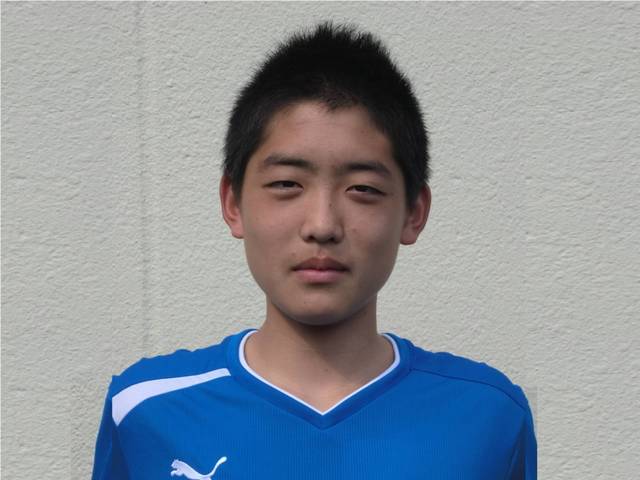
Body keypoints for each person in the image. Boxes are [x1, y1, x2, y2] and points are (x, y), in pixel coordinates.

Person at [92, 22, 536, 479]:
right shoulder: (145, 408)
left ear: (413, 212)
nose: (322, 225)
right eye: (287, 184)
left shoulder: (489, 416)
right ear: (233, 203)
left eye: (363, 188)